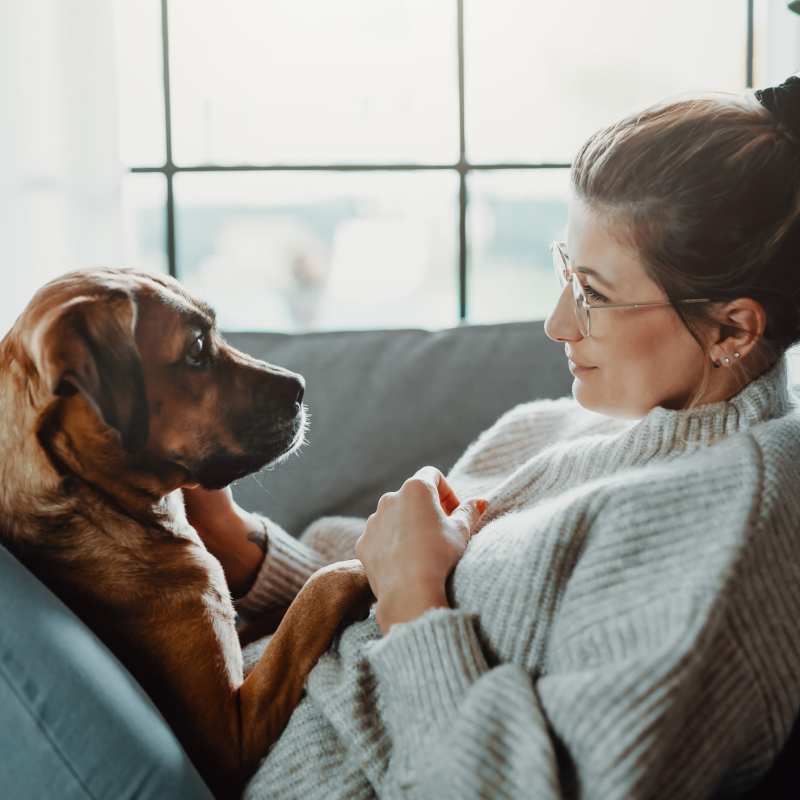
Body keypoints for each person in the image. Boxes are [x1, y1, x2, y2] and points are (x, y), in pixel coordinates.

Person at [184, 75, 800, 799]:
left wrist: (413, 599)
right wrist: (242, 548)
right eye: (565, 269)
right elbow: (368, 588)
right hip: (228, 711)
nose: (557, 323)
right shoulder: (552, 426)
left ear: (733, 326)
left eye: (594, 295)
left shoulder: (727, 533)